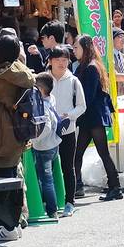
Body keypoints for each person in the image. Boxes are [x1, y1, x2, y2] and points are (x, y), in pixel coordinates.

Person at [0, 35, 37, 243]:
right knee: (12, 179)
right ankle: (15, 223)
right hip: (16, 132)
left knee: (4, 181)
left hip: (3, 134)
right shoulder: (18, 70)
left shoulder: (4, 78)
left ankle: (9, 226)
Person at [73, 35, 124, 203]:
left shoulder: (90, 67)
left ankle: (113, 186)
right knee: (84, 153)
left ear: (84, 48)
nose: (74, 51)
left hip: (93, 116)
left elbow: (87, 95)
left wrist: (75, 110)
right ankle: (81, 185)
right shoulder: (88, 66)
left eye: (76, 48)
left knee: (98, 152)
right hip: (91, 117)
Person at [46, 46, 84, 216]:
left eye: (65, 60)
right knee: (47, 168)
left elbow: (82, 106)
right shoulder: (44, 79)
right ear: (50, 61)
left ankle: (70, 202)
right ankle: (50, 205)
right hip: (46, 131)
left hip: (68, 130)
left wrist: (69, 115)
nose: (62, 63)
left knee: (68, 166)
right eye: (58, 60)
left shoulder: (74, 80)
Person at [29, 73, 62, 219]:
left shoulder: (42, 106)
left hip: (44, 147)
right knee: (47, 177)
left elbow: (46, 127)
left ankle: (51, 209)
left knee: (46, 179)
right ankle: (50, 206)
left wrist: (34, 139)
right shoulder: (51, 99)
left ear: (41, 90)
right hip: (53, 145)